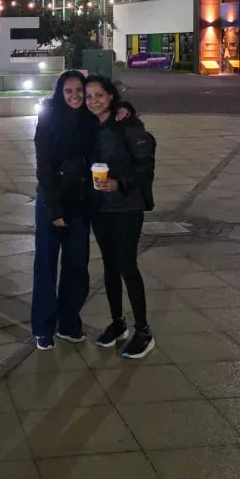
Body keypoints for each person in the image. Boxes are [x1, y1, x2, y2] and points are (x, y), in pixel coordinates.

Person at [31, 70, 131, 351]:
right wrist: (54, 209)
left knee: (77, 266)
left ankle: (69, 323)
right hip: (53, 201)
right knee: (47, 265)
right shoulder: (49, 118)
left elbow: (112, 109)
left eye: (80, 91)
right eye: (69, 91)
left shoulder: (89, 118)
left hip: (81, 203)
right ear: (60, 93)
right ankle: (43, 327)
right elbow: (44, 168)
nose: (76, 96)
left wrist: (125, 108)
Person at [84, 73, 156, 359]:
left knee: (127, 265)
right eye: (89, 96)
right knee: (110, 267)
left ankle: (144, 331)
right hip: (100, 207)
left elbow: (145, 165)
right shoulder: (88, 125)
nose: (93, 101)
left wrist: (118, 183)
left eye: (99, 95)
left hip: (127, 205)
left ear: (111, 96)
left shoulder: (129, 124)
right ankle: (118, 323)